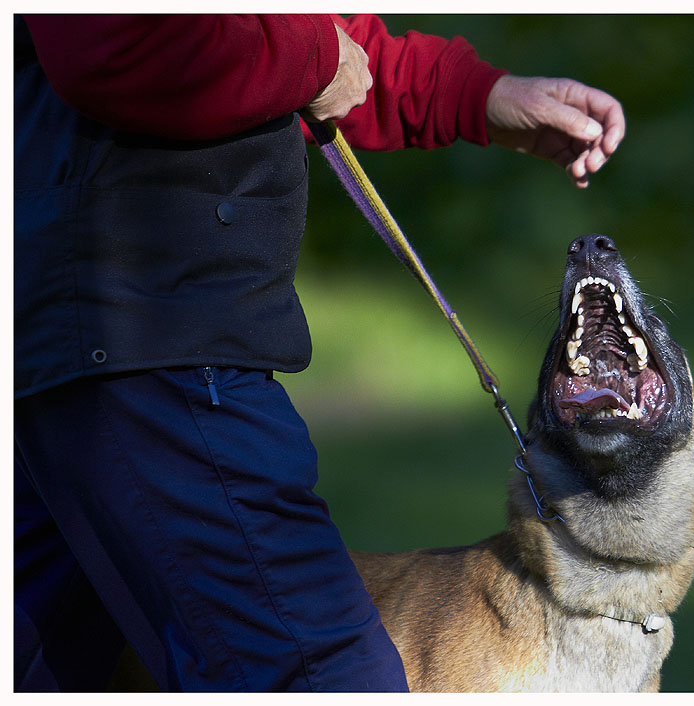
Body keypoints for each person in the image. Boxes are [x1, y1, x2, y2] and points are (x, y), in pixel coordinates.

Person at [13, 13, 625, 692]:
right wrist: (315, 59)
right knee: (324, 676)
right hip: (151, 338)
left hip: (89, 338)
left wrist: (475, 94)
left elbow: (302, 34)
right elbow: (111, 39)